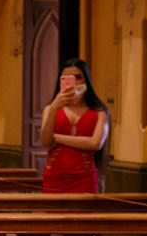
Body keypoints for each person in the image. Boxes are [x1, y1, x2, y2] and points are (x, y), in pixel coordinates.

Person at [41, 59, 109, 193]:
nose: (74, 82)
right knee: (52, 214)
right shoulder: (50, 109)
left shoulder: (100, 112)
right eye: (66, 78)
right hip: (54, 176)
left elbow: (95, 144)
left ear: (86, 81)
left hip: (85, 177)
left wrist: (58, 138)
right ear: (60, 82)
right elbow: (46, 142)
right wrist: (55, 107)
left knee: (85, 214)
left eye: (78, 77)